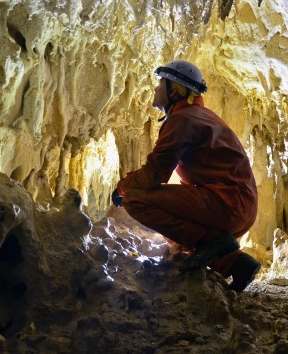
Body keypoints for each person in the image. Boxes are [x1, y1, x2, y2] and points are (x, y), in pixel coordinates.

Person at [111, 60, 260, 292]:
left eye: (161, 84)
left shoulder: (183, 120)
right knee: (177, 235)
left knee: (135, 197)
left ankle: (214, 243)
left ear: (175, 90)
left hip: (227, 203)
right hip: (236, 205)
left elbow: (155, 173)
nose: (156, 89)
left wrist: (123, 187)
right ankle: (237, 264)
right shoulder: (199, 116)